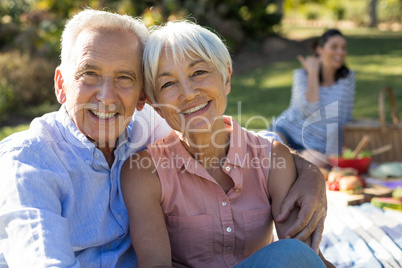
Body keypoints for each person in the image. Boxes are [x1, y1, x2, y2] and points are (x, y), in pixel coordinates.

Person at [0, 9, 326, 267]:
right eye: (89, 74)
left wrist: (309, 172)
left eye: (124, 78)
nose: (107, 96)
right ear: (60, 84)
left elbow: (242, 142)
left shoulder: (144, 125)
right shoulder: (28, 163)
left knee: (292, 256)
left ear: (143, 98)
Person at [121, 21, 334, 268]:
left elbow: (306, 257)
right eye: (168, 84)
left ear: (226, 78)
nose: (188, 93)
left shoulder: (271, 159)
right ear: (156, 106)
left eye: (199, 72)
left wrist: (312, 172)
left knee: (291, 253)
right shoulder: (145, 173)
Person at [271, 29, 355, 168]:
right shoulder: (301, 75)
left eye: (343, 48)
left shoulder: (347, 78)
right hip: (288, 130)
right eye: (334, 47)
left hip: (316, 145)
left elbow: (343, 117)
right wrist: (313, 74)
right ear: (320, 49)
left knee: (311, 164)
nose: (340, 52)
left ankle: (289, 166)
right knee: (271, 148)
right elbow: (310, 108)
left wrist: (336, 154)